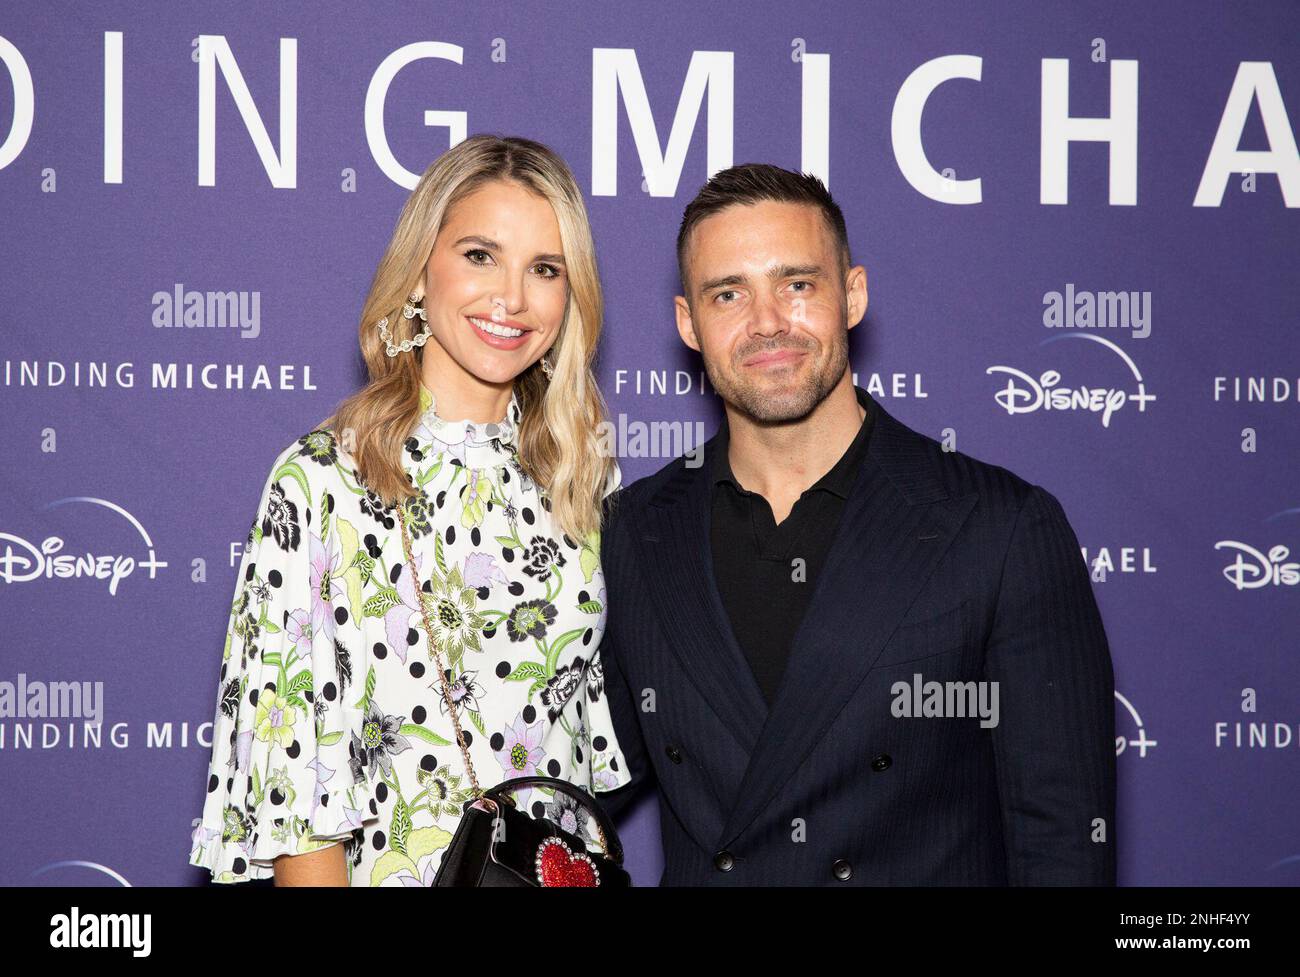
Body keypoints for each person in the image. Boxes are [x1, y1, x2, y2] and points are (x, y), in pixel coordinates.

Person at [596, 163, 1117, 885]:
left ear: (854, 295)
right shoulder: (633, 534)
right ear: (690, 323)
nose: (768, 321)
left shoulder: (1000, 530)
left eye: (798, 284)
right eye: (729, 293)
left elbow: (1062, 846)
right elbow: (580, 783)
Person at [188, 134, 631, 886]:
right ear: (421, 271)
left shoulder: (580, 476)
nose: (512, 298)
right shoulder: (324, 479)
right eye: (480, 255)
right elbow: (299, 804)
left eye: (545, 268)